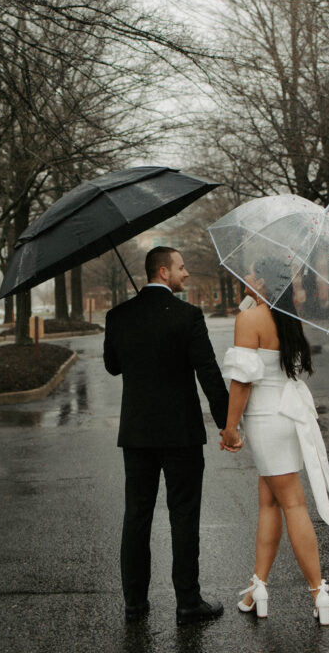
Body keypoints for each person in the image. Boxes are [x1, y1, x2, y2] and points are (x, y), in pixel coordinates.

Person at [104, 245, 230, 625]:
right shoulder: (188, 316)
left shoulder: (118, 316)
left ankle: (135, 605)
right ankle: (188, 603)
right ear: (162, 272)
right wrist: (228, 423)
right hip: (182, 434)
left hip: (138, 434)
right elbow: (208, 372)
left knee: (137, 517)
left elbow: (112, 367)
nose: (186, 273)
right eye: (181, 267)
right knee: (184, 516)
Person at [219, 256, 329, 626]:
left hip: (266, 418)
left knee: (292, 503)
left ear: (267, 283)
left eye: (253, 274)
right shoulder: (287, 318)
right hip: (287, 415)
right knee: (269, 502)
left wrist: (230, 428)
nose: (247, 277)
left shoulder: (250, 318)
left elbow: (242, 382)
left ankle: (319, 591)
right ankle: (258, 586)